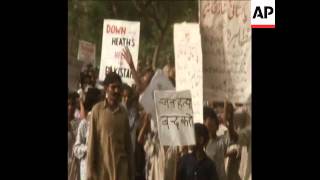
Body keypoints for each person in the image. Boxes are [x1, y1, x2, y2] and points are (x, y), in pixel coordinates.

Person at [86, 72, 134, 180]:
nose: (116, 91)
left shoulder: (123, 113)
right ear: (106, 88)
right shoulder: (97, 110)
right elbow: (91, 143)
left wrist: (131, 172)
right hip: (103, 170)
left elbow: (128, 145)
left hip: (121, 169)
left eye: (118, 87)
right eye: (113, 87)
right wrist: (89, 172)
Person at [203, 103, 238, 180]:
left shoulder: (221, 141)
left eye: (213, 122)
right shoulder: (199, 144)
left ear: (217, 125)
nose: (210, 125)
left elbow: (233, 138)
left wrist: (230, 120)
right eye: (206, 121)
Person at [73, 88, 101, 180]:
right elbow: (76, 149)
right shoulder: (84, 124)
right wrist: (88, 148)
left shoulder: (104, 124)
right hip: (86, 170)